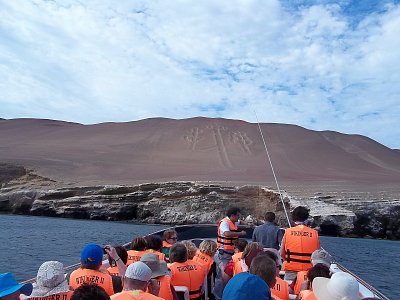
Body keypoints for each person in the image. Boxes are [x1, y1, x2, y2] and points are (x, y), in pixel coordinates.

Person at [214, 207, 247, 300]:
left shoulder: (233, 221)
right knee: (221, 276)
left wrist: (247, 224)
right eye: (237, 215)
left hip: (231, 252)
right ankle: (218, 297)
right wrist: (240, 233)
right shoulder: (224, 223)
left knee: (230, 274)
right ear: (232, 215)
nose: (238, 218)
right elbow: (227, 234)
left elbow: (239, 222)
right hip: (224, 253)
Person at [280, 206, 320, 280]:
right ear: (306, 218)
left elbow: (282, 253)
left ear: (294, 218)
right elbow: (317, 255)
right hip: (308, 273)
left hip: (291, 271)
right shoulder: (315, 233)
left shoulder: (288, 232)